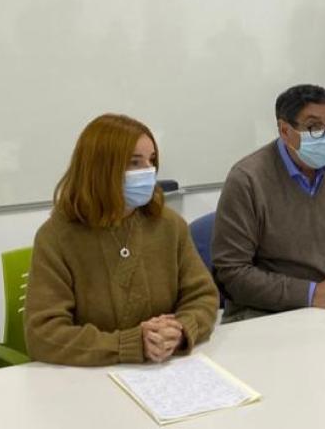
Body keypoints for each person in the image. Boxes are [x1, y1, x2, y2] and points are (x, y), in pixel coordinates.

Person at [24, 114, 218, 365]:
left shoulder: (169, 225)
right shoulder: (57, 237)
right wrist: (130, 344)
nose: (147, 172)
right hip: (86, 378)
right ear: (101, 168)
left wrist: (180, 330)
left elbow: (203, 297)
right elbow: (43, 334)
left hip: (167, 371)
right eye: (134, 163)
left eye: (151, 161)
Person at [212, 84, 325, 322]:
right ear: (285, 131)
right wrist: (311, 294)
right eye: (314, 127)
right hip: (269, 315)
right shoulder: (247, 179)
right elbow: (231, 274)